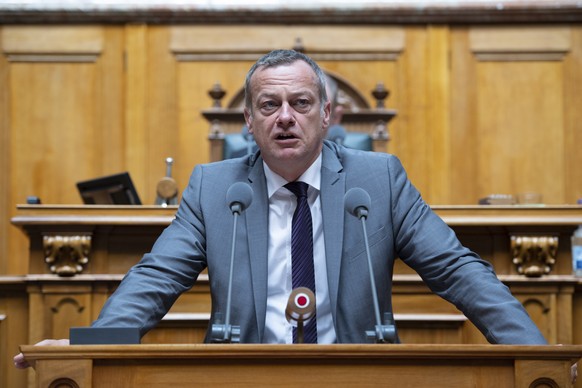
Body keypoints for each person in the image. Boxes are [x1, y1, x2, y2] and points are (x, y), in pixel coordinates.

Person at [15, 49, 548, 369]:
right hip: (243, 373)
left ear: (328, 115)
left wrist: (536, 353)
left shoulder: (378, 181)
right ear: (249, 120)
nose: (286, 117)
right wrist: (93, 346)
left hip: (360, 373)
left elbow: (457, 269)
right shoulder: (213, 186)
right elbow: (155, 279)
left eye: (301, 103)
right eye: (269, 105)